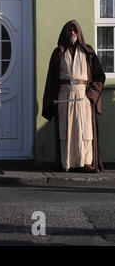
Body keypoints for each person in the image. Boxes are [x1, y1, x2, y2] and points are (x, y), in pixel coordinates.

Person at [42, 20, 105, 173]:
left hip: (83, 95)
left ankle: (86, 162)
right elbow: (51, 79)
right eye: (69, 31)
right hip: (64, 94)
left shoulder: (87, 52)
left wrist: (91, 94)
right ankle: (67, 162)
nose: (72, 34)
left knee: (84, 130)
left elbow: (99, 76)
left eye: (74, 31)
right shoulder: (58, 53)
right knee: (66, 129)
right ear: (65, 33)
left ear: (79, 33)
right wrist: (51, 100)